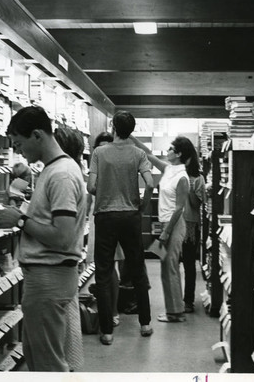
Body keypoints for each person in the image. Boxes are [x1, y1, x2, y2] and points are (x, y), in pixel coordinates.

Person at [0, 106, 86, 372]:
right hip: (45, 277)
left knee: (48, 365)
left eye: (19, 143)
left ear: (38, 135)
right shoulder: (54, 170)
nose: (19, 151)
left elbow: (62, 236)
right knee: (40, 358)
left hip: (49, 278)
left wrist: (18, 219)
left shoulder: (61, 174)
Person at [87, 111, 154, 345]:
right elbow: (150, 183)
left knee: (104, 272)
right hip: (130, 216)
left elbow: (91, 186)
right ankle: (145, 323)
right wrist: (141, 207)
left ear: (113, 127)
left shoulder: (99, 152)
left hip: (105, 216)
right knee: (137, 268)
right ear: (133, 130)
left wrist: (105, 191)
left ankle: (107, 331)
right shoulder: (138, 153)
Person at [130, 135, 197, 322]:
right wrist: (131, 137)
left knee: (171, 267)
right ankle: (172, 310)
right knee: (166, 266)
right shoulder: (168, 169)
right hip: (167, 223)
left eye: (171, 148)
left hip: (174, 225)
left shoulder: (182, 177)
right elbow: (148, 154)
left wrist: (166, 231)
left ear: (179, 154)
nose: (167, 151)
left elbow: (179, 208)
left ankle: (176, 312)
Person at [86, 131, 124, 327]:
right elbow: (88, 197)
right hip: (96, 220)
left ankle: (113, 310)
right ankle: (106, 309)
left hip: (113, 221)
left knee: (110, 268)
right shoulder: (94, 168)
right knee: (103, 268)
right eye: (99, 147)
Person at [181, 148, 206, 313]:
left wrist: (188, 186)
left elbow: (197, 205)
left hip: (190, 226)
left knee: (189, 265)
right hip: (175, 223)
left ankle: (188, 301)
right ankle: (175, 300)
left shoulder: (198, 179)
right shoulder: (175, 175)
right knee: (171, 263)